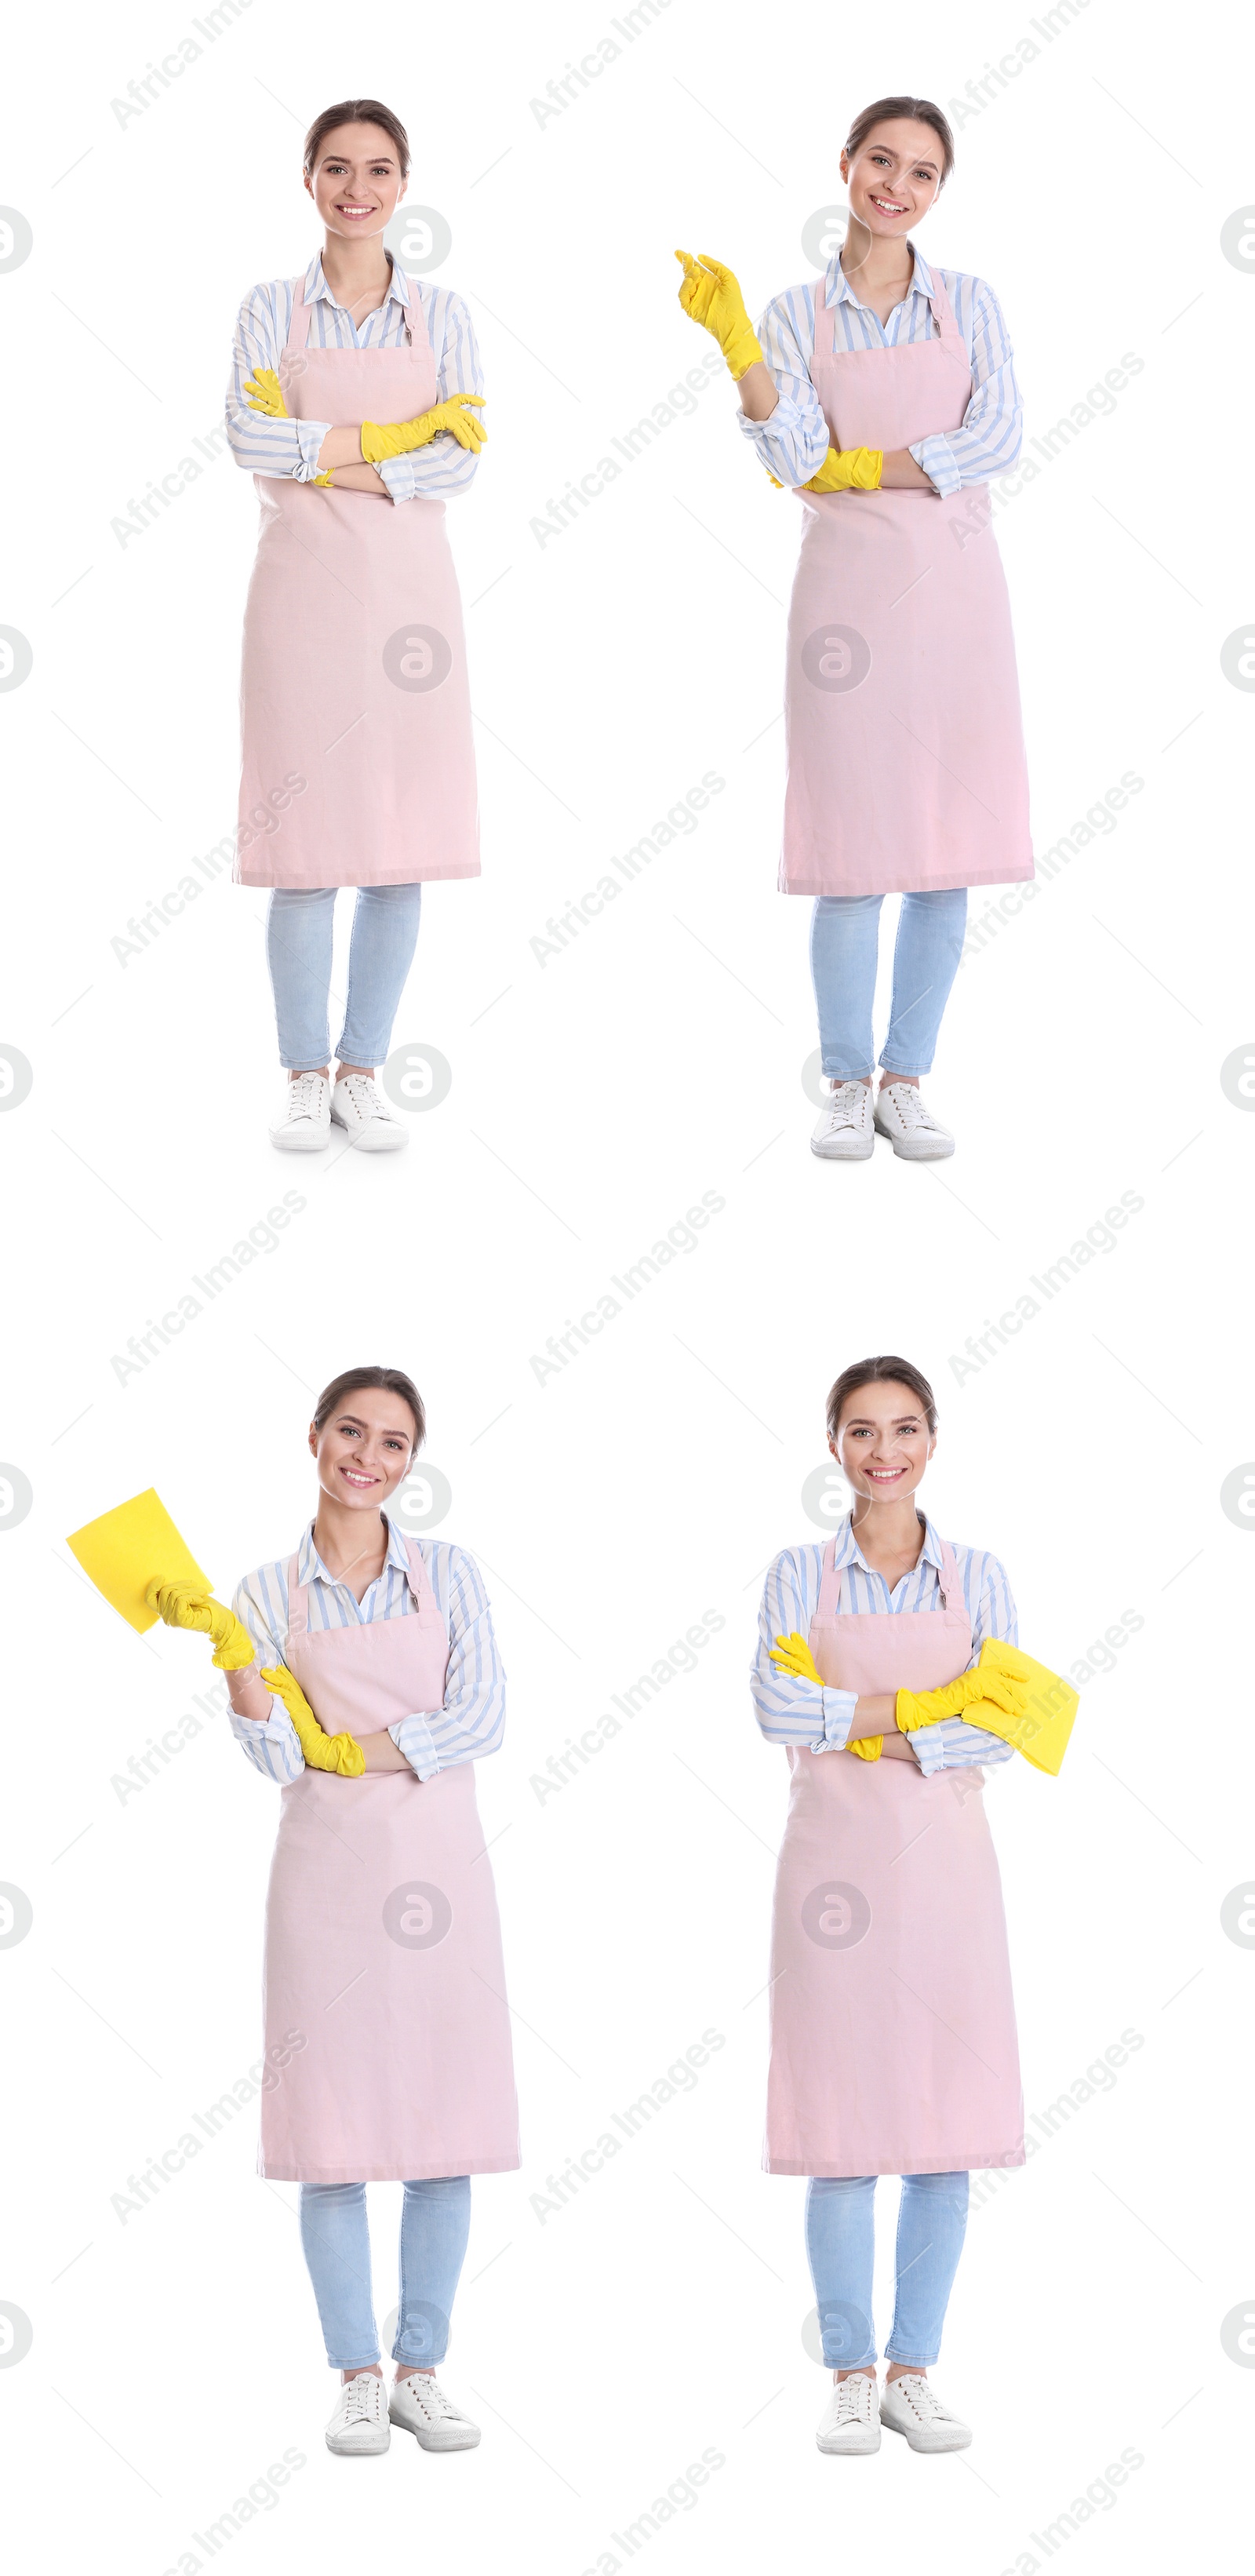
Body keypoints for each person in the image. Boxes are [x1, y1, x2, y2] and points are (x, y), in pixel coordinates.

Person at [149, 1365, 518, 2458]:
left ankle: (423, 2370)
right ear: (312, 1439)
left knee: (445, 2130)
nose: (369, 1456)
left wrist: (365, 1749)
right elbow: (273, 1755)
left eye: (394, 1443)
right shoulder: (263, 1595)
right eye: (351, 1432)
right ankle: (358, 2375)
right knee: (334, 2138)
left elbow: (484, 1713)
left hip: (441, 1879)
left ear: (414, 1462)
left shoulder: (448, 1573)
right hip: (325, 1882)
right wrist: (236, 1669)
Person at [677, 96, 1032, 1164]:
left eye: (921, 172)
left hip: (958, 601)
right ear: (845, 164)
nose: (897, 185)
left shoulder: (970, 301)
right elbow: (790, 455)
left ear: (938, 191)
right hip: (844, 609)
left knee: (941, 852)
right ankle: (844, 1083)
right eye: (882, 160)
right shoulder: (794, 315)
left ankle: (906, 1081)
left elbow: (998, 435)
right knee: (849, 853)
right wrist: (739, 348)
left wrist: (862, 465)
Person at [751, 1354, 1027, 2454]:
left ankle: (915, 2370)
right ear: (834, 1447)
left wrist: (862, 1720)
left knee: (942, 2131)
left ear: (932, 1442)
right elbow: (777, 1705)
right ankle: (851, 2373)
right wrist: (926, 1713)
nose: (883, 1452)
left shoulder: (980, 1576)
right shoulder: (794, 1576)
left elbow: (1004, 1720)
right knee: (840, 2130)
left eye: (904, 1429)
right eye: (861, 1431)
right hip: (832, 1876)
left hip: (949, 1879)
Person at [227, 100, 486, 1154]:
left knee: (396, 842)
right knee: (303, 846)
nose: (357, 189)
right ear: (308, 181)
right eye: (337, 168)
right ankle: (301, 1072)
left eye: (378, 170)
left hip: (412, 608)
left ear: (402, 185)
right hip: (300, 603)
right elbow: (246, 433)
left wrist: (326, 452)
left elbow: (463, 456)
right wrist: (390, 444)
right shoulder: (267, 310)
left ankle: (363, 1069)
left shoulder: (444, 315)